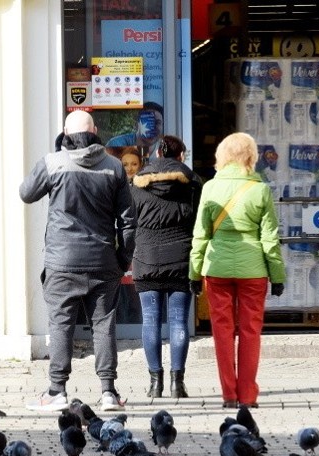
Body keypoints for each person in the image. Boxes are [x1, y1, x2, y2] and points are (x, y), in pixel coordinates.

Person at [20, 110, 137, 412]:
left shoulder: (53, 163)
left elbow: (26, 193)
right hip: (103, 261)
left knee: (60, 325)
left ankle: (57, 391)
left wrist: (56, 152)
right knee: (104, 326)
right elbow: (127, 221)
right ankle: (109, 392)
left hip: (62, 261)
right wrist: (122, 259)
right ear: (96, 131)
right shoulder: (114, 167)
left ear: (65, 133)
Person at [189, 132, 285, 409]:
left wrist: (194, 272)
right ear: (251, 157)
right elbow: (270, 239)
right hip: (254, 271)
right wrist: (277, 275)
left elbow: (201, 235)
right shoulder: (261, 190)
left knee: (222, 332)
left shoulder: (210, 188)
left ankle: (229, 394)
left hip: (217, 271)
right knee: (251, 331)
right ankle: (248, 396)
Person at [130, 135, 202, 399]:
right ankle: (177, 384)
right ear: (180, 156)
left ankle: (154, 383)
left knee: (150, 320)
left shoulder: (136, 185)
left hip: (146, 257)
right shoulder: (193, 184)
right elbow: (199, 223)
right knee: (178, 320)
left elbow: (130, 221)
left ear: (157, 155)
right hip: (181, 258)